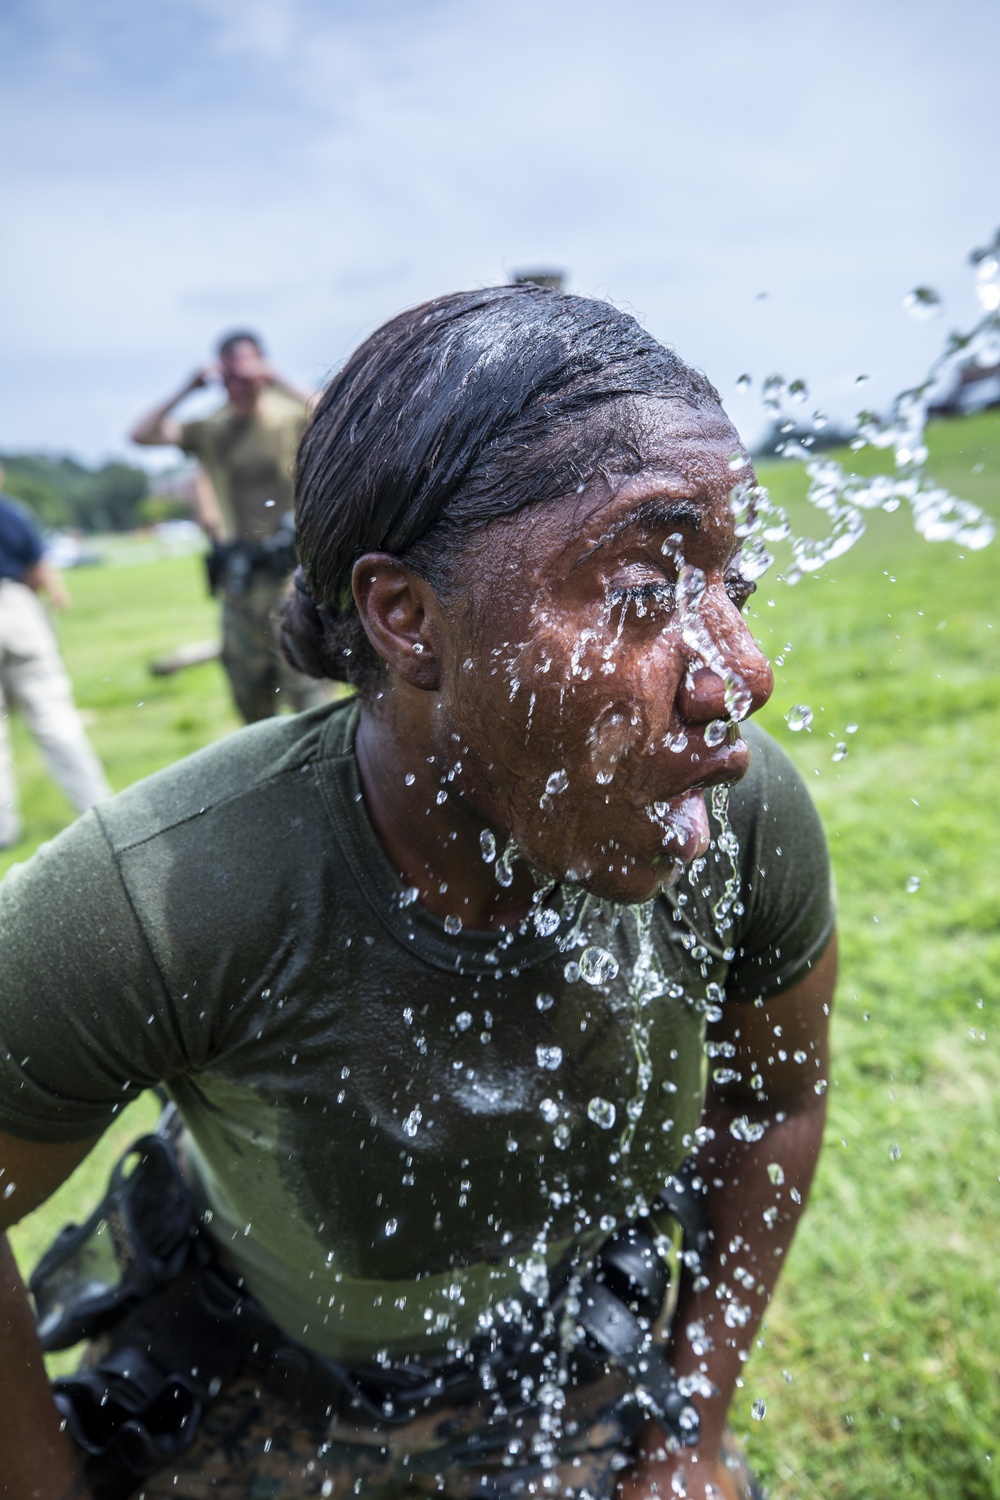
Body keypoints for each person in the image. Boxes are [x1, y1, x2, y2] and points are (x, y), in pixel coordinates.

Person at [0, 287, 837, 1500]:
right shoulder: (172, 895)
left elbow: (771, 1114)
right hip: (246, 1361)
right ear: (406, 617)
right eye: (643, 588)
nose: (742, 674)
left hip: (563, 1340)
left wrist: (689, 1438)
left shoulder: (737, 818)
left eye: (731, 585)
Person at [130, 331, 328, 723]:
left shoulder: (289, 415)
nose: (240, 384)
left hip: (294, 569)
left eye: (248, 372)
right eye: (231, 375)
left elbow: (335, 413)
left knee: (308, 684)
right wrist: (188, 387)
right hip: (242, 574)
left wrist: (278, 377)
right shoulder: (212, 427)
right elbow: (142, 435)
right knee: (248, 689)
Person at [0, 468, 110, 849]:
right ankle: (95, 807)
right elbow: (38, 568)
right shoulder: (10, 511)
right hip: (14, 608)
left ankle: (3, 829)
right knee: (53, 718)